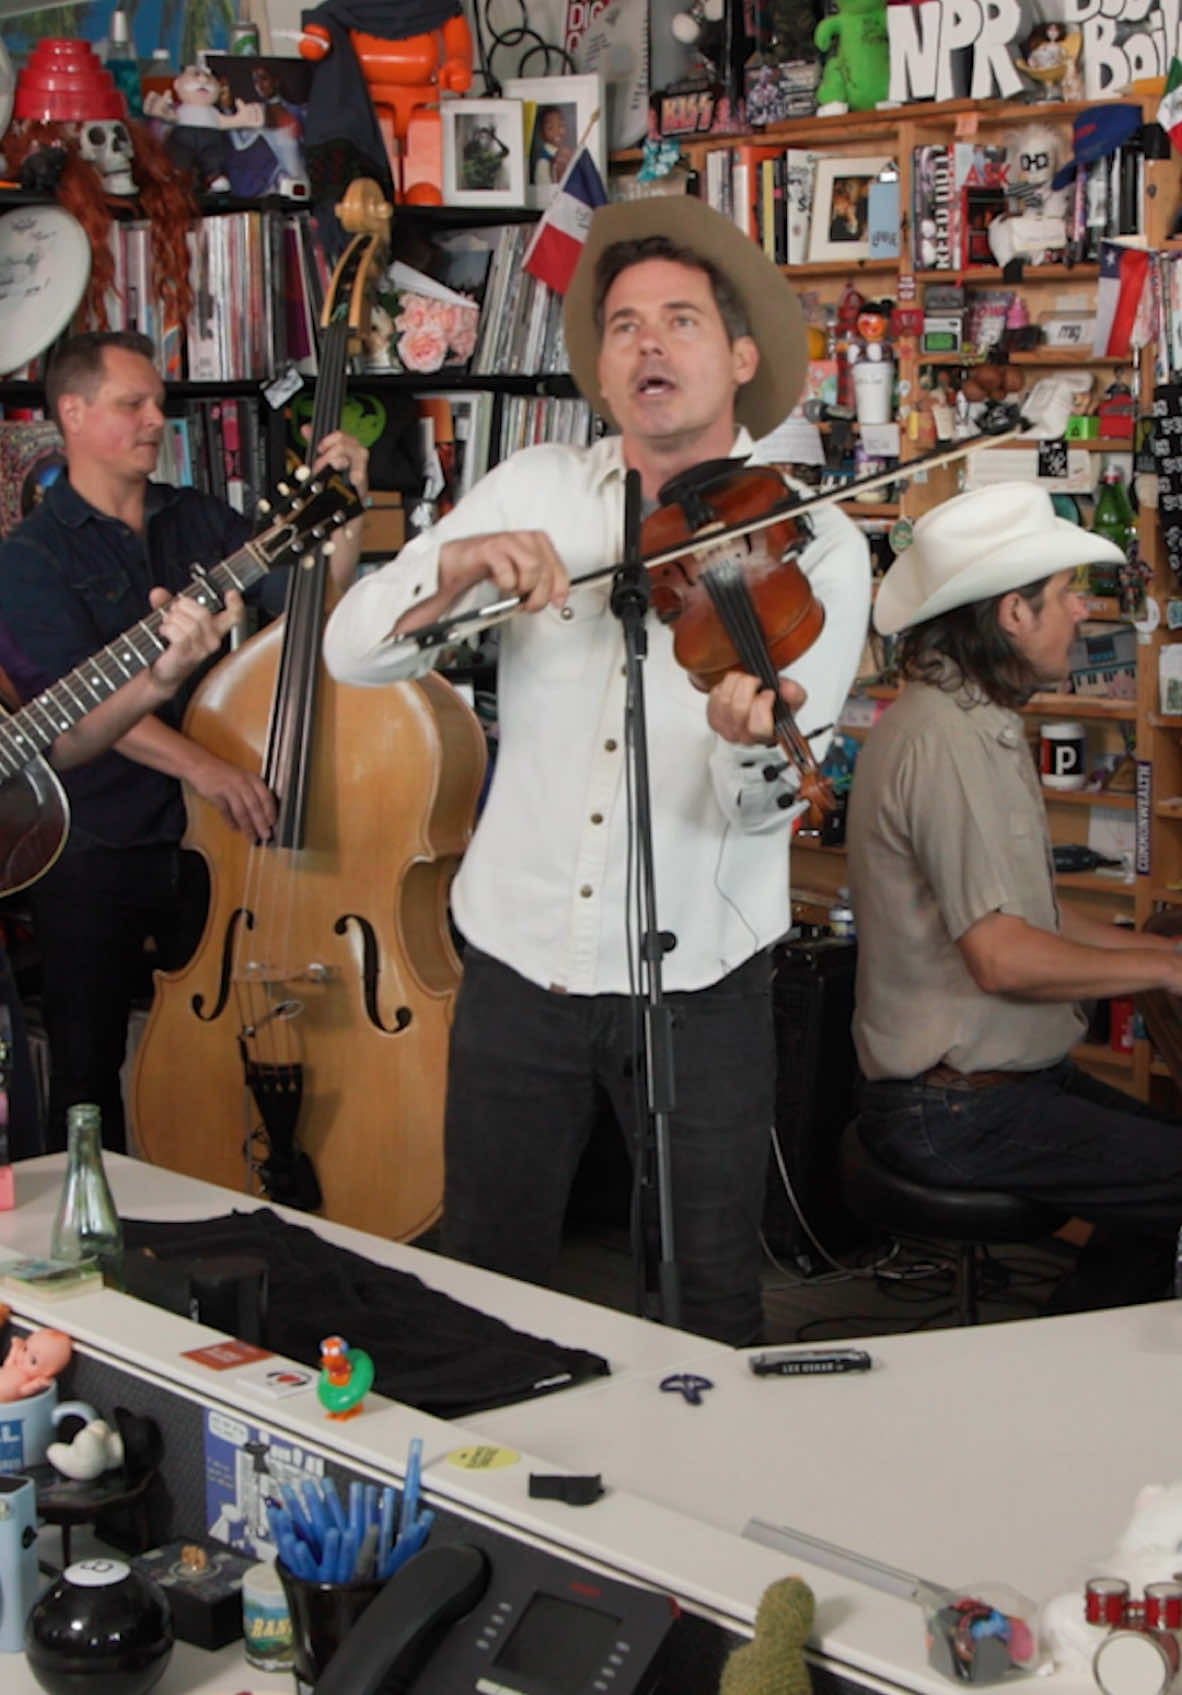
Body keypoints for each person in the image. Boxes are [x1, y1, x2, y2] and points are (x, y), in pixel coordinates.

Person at [323, 196, 870, 1344]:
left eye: (679, 321)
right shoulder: (535, 491)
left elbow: (766, 806)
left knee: (706, 1294)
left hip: (703, 974)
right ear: (604, 366)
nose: (648, 345)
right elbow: (353, 649)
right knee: (487, 1271)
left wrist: (745, 741)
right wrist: (461, 566)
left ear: (740, 357)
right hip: (521, 958)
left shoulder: (809, 539)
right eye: (623, 327)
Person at [0, 329, 369, 1156]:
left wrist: (343, 518)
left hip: (216, 838)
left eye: (157, 403)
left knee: (230, 1029)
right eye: (132, 404)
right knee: (87, 1064)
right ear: (72, 412)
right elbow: (63, 710)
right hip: (97, 838)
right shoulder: (29, 557)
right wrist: (202, 764)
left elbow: (313, 604)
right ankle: (88, 1229)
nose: (154, 419)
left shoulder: (198, 519)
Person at [847, 482, 1182, 1313]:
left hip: (990, 1087)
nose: (1082, 612)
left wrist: (1155, 956)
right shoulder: (950, 741)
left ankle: (1079, 1359)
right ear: (1012, 615)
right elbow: (1000, 954)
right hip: (951, 1108)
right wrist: (1165, 969)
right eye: (1065, 594)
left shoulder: (965, 718)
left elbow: (1040, 918)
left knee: (1160, 1166)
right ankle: (1064, 1379)